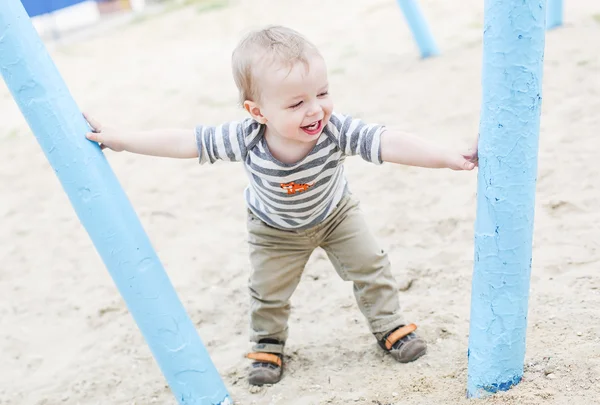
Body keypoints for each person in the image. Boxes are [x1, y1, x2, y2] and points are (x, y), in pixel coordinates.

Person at [84, 25, 478, 386]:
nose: (315, 110)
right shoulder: (246, 137)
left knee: (371, 265)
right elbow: (185, 142)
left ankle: (389, 325)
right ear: (258, 112)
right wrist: (123, 139)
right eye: (296, 104)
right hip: (272, 229)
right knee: (269, 290)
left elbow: (390, 142)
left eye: (322, 93)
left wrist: (447, 156)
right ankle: (268, 344)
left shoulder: (336, 129)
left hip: (336, 215)